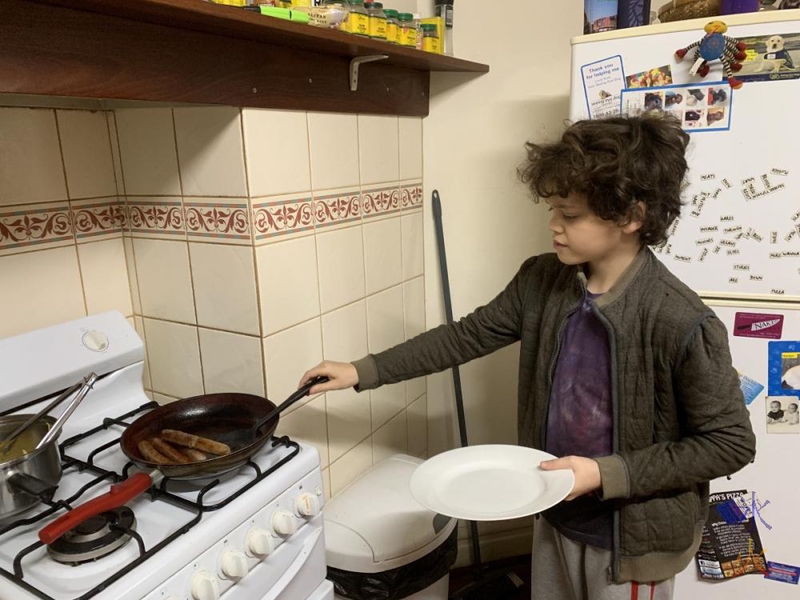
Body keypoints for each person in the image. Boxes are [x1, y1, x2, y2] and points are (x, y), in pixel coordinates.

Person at [299, 114, 756, 600]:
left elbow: (729, 444)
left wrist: (605, 473)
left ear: (631, 217)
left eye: (570, 214)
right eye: (552, 209)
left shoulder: (679, 320)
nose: (553, 225)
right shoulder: (543, 280)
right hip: (555, 505)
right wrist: (361, 371)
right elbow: (466, 336)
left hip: (628, 542)